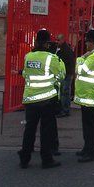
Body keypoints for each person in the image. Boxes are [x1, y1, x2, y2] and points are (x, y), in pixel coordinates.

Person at [18, 28, 65, 169]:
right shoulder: (52, 58)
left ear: (37, 42)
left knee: (29, 129)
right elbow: (62, 75)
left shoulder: (28, 57)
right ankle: (46, 159)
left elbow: (25, 74)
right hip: (47, 100)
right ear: (47, 44)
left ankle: (24, 158)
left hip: (31, 99)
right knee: (46, 131)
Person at [74, 28, 94, 162]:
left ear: (92, 42)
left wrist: (80, 59)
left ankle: (91, 152)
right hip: (88, 93)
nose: (86, 44)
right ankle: (87, 148)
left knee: (89, 124)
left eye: (87, 41)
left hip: (89, 93)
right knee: (87, 123)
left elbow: (80, 70)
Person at [55, 33, 75, 118]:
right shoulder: (66, 49)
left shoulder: (63, 50)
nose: (57, 41)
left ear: (63, 40)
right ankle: (65, 109)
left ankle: (64, 110)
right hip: (67, 73)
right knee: (65, 92)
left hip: (66, 73)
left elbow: (63, 62)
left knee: (64, 92)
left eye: (58, 40)